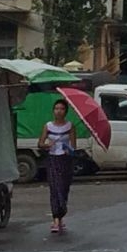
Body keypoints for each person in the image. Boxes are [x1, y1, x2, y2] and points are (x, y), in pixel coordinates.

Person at [39, 98, 77, 233]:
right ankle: (55, 219)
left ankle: (61, 215)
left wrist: (69, 149)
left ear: (65, 111)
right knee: (54, 189)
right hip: (52, 159)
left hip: (65, 160)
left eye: (61, 109)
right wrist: (47, 145)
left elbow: (74, 146)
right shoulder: (48, 126)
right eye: (56, 109)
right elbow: (40, 143)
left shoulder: (70, 126)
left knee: (63, 188)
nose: (58, 111)